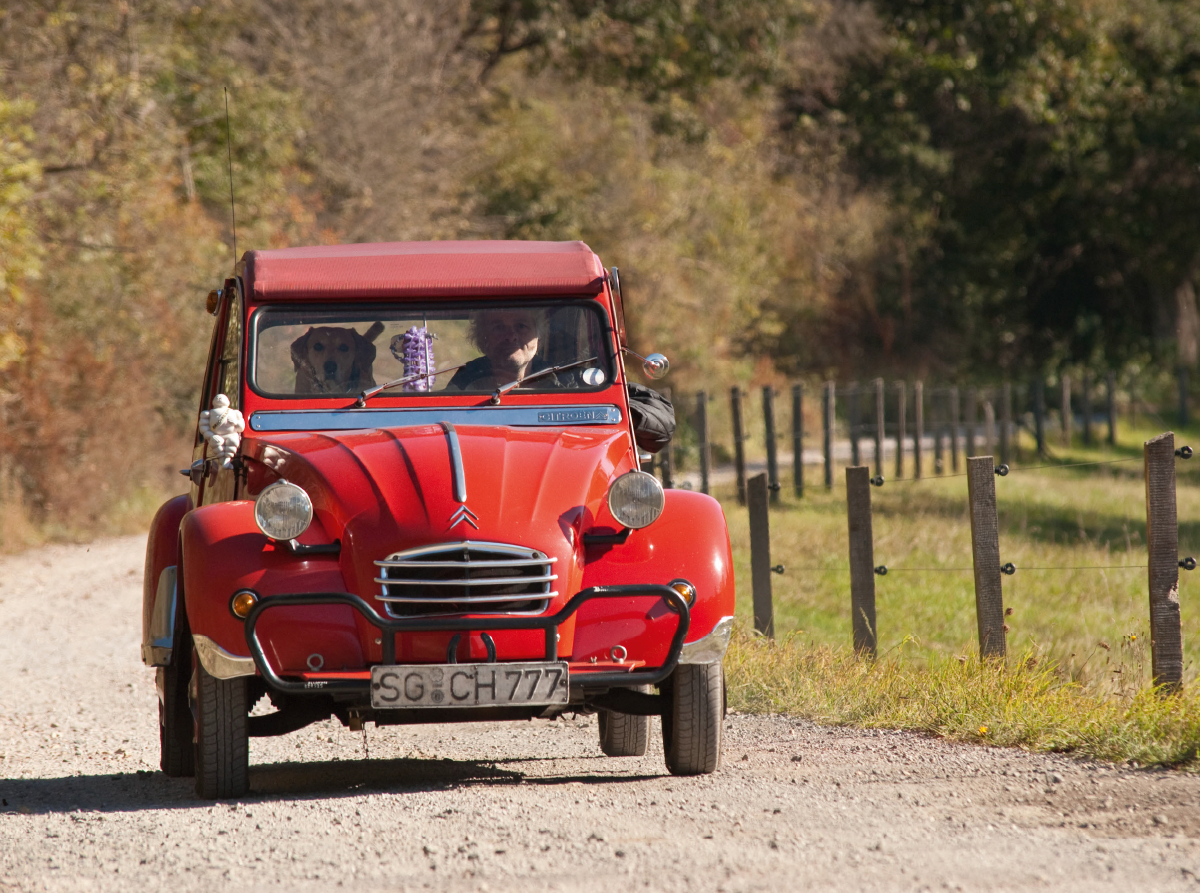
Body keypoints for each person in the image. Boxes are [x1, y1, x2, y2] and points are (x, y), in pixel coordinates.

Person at [445, 308, 558, 390]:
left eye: (521, 326)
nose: (511, 336)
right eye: (499, 328)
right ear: (483, 339)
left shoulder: (563, 382)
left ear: (539, 337)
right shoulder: (462, 385)